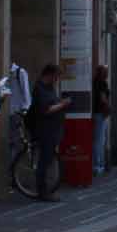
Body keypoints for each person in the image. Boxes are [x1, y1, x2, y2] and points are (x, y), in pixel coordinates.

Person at [28, 63, 68, 201]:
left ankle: (46, 189)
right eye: (56, 76)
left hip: (53, 129)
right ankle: (42, 191)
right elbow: (45, 109)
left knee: (48, 160)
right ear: (49, 75)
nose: (57, 79)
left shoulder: (49, 88)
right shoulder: (40, 89)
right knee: (44, 162)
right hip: (44, 130)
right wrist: (62, 105)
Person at [91, 65, 111, 174]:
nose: (107, 73)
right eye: (106, 71)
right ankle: (98, 165)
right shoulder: (102, 83)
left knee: (98, 139)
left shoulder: (94, 82)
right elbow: (103, 99)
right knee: (99, 140)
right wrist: (108, 108)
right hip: (100, 114)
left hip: (96, 113)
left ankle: (98, 164)